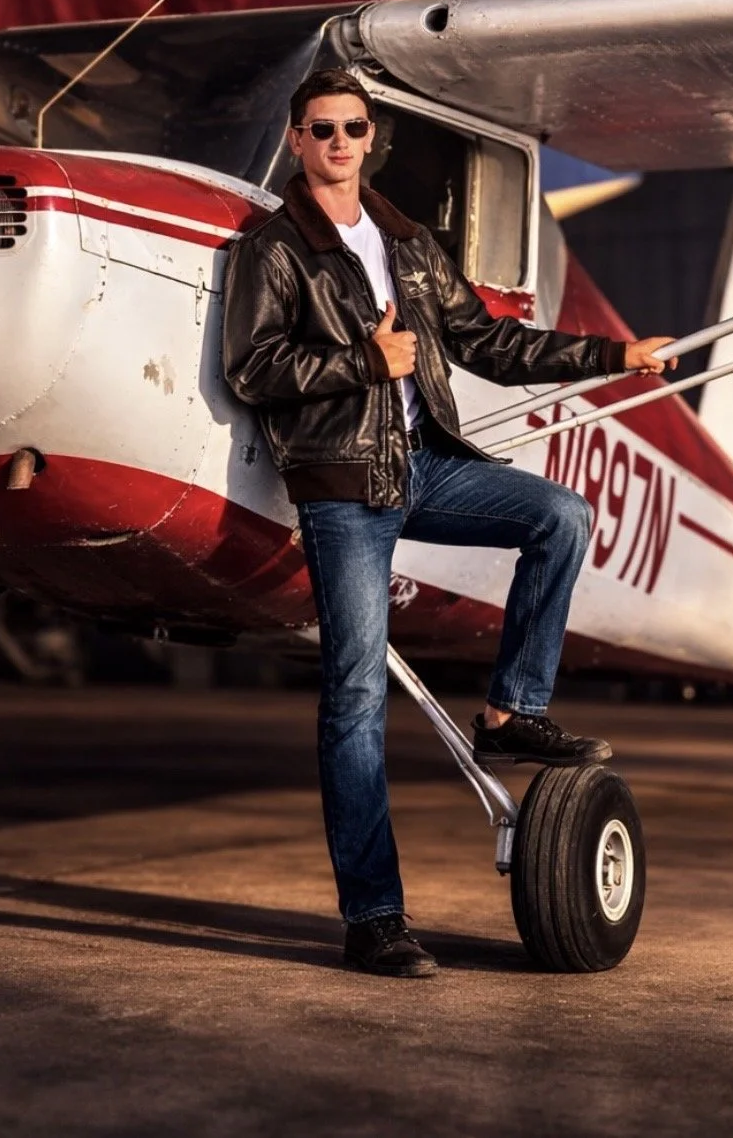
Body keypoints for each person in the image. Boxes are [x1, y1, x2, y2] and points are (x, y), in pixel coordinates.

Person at [222, 70, 675, 978]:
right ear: (298, 140)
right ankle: (375, 921)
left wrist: (615, 356)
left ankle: (513, 710)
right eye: (323, 129)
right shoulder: (274, 249)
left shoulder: (408, 242)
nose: (341, 141)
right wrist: (364, 358)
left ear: (371, 135)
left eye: (354, 127)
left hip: (422, 466)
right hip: (345, 486)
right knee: (354, 701)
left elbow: (492, 344)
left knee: (559, 514)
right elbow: (251, 368)